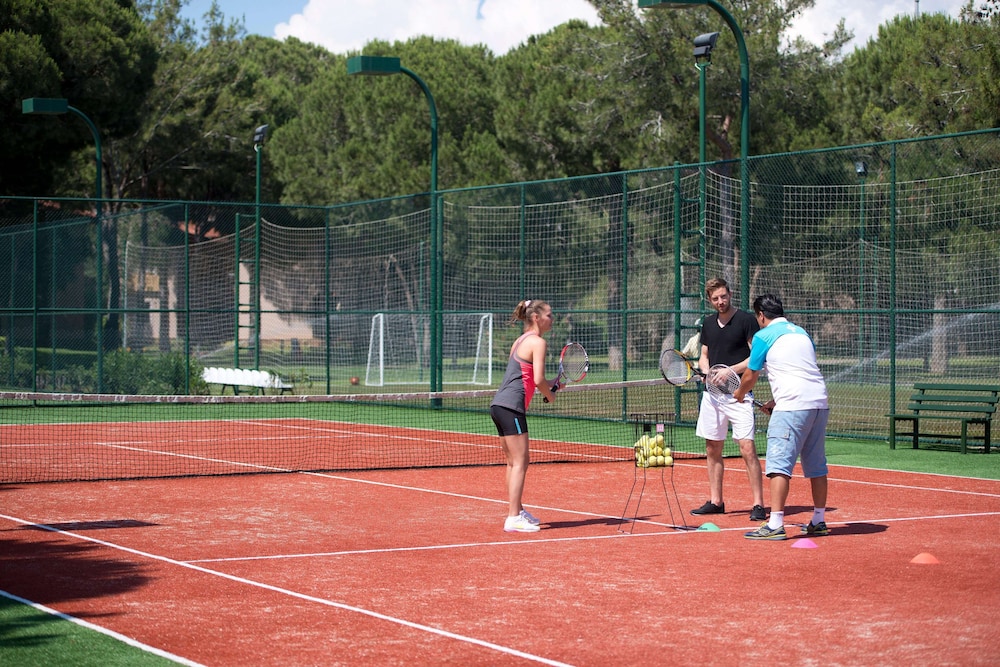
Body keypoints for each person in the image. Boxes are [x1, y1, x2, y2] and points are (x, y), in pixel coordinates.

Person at [734, 293, 830, 541]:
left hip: (792, 408)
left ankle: (775, 524)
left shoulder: (763, 336)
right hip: (818, 404)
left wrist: (740, 394)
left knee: (778, 466)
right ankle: (818, 520)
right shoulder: (802, 333)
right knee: (817, 466)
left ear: (761, 316)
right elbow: (801, 372)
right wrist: (774, 402)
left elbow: (750, 375)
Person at [690, 278, 767, 521]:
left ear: (730, 294)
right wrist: (707, 371)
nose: (720, 301)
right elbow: (704, 356)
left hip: (739, 395)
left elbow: (755, 357)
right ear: (709, 300)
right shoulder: (708, 323)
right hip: (712, 398)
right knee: (712, 448)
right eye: (715, 298)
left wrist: (729, 371)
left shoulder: (746, 320)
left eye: (723, 296)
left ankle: (758, 504)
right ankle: (716, 501)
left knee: (747, 448)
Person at [489, 299, 558, 533]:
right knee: (521, 462)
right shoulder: (538, 342)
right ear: (536, 317)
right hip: (512, 408)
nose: (552, 319)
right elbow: (538, 380)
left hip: (499, 406)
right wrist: (550, 395)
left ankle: (516, 510)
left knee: (513, 463)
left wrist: (553, 385)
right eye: (549, 315)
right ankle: (513, 517)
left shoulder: (520, 341)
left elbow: (530, 377)